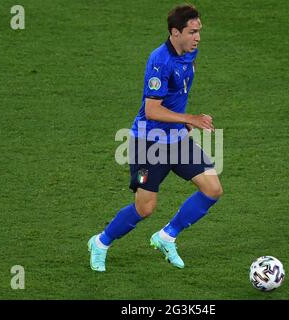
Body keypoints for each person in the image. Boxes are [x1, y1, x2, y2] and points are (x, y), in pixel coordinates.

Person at [88, 4, 223, 272]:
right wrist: (189, 119)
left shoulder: (188, 55)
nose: (198, 37)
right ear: (175, 32)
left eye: (199, 31)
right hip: (147, 145)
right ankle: (100, 243)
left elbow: (175, 98)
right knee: (144, 207)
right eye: (192, 32)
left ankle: (166, 236)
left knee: (212, 189)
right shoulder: (160, 60)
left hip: (176, 140)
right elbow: (151, 110)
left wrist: (183, 124)